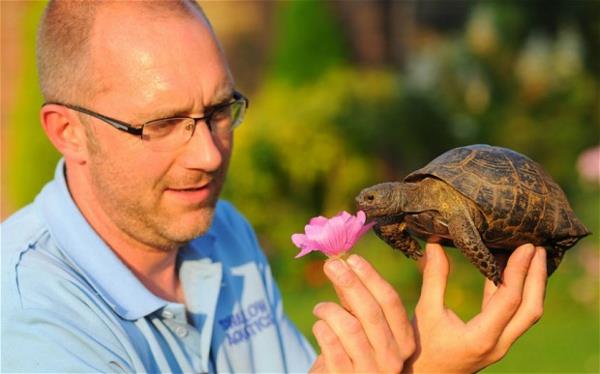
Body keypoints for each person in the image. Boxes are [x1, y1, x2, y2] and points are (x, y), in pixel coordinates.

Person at [1, 1, 547, 372]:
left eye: (219, 110)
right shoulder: (28, 320)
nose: (209, 155)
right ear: (67, 132)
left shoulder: (224, 233)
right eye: (162, 124)